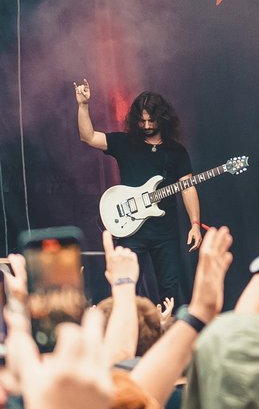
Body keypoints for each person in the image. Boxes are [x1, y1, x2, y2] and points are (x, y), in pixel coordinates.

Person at [75, 82, 200, 307]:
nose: (147, 125)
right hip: (131, 230)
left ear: (163, 119)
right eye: (142, 121)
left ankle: (167, 333)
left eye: (151, 120)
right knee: (126, 286)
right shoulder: (126, 143)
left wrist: (195, 223)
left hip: (166, 233)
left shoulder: (176, 151)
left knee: (169, 290)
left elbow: (188, 187)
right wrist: (83, 106)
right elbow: (89, 137)